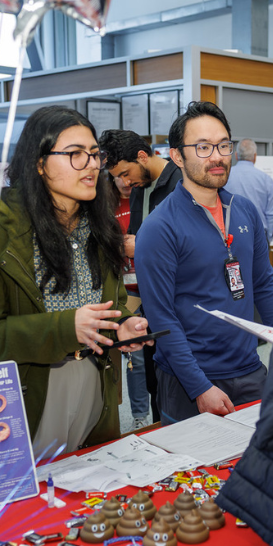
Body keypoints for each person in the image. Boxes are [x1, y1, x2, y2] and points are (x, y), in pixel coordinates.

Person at [0, 106, 152, 454]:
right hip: (30, 392)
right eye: (75, 154)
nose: (91, 165)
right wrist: (64, 328)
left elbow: (110, 304)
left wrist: (120, 326)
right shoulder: (1, 228)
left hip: (95, 385)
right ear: (39, 163)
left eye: (94, 155)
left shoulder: (100, 223)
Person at [135, 101, 273, 424]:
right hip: (189, 380)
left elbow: (263, 283)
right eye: (203, 147)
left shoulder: (244, 211)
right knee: (193, 473)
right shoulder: (160, 227)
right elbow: (161, 317)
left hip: (249, 369)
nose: (217, 157)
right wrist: (199, 386)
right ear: (177, 156)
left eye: (222, 145)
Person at [98, 129, 183, 422]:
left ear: (143, 156)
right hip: (148, 298)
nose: (124, 182)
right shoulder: (138, 188)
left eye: (125, 172)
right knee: (153, 378)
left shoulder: (180, 184)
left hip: (178, 303)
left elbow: (190, 245)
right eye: (117, 177)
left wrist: (141, 246)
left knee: (177, 380)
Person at [109, 172, 152, 430]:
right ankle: (139, 414)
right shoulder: (105, 207)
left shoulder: (143, 198)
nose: (126, 183)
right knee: (135, 355)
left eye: (129, 176)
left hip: (150, 284)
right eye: (119, 177)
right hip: (126, 291)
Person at [223, 139, 273, 242]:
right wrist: (267, 239)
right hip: (258, 236)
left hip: (229, 237)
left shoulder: (224, 176)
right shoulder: (266, 179)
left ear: (236, 155)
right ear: (255, 157)